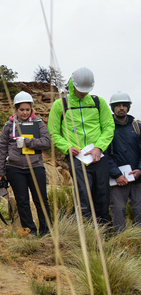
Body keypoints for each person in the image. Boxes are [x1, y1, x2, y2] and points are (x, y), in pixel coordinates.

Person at [48, 67, 114, 224]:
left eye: (86, 90)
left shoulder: (99, 102)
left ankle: (104, 232)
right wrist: (67, 147)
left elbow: (109, 127)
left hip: (99, 156)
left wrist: (99, 147)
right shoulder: (60, 104)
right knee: (83, 193)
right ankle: (83, 231)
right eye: (79, 90)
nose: (83, 93)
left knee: (102, 194)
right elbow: (54, 133)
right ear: (73, 84)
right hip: (76, 157)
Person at [0, 92, 51, 236]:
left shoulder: (38, 123)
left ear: (31, 109)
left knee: (41, 200)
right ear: (16, 109)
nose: (25, 112)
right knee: (22, 201)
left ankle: (46, 232)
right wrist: (0, 173)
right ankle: (30, 231)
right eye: (22, 110)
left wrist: (27, 142)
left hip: (36, 167)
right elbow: (2, 149)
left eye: (27, 109)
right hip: (14, 169)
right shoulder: (8, 126)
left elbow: (46, 142)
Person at [106, 91, 141, 233]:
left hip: (138, 178)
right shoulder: (107, 128)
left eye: (124, 105)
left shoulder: (137, 127)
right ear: (112, 108)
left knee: (139, 209)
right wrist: (116, 174)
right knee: (118, 210)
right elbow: (104, 153)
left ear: (128, 107)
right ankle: (120, 240)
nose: (122, 108)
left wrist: (140, 170)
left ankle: (138, 240)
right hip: (118, 180)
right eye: (118, 105)